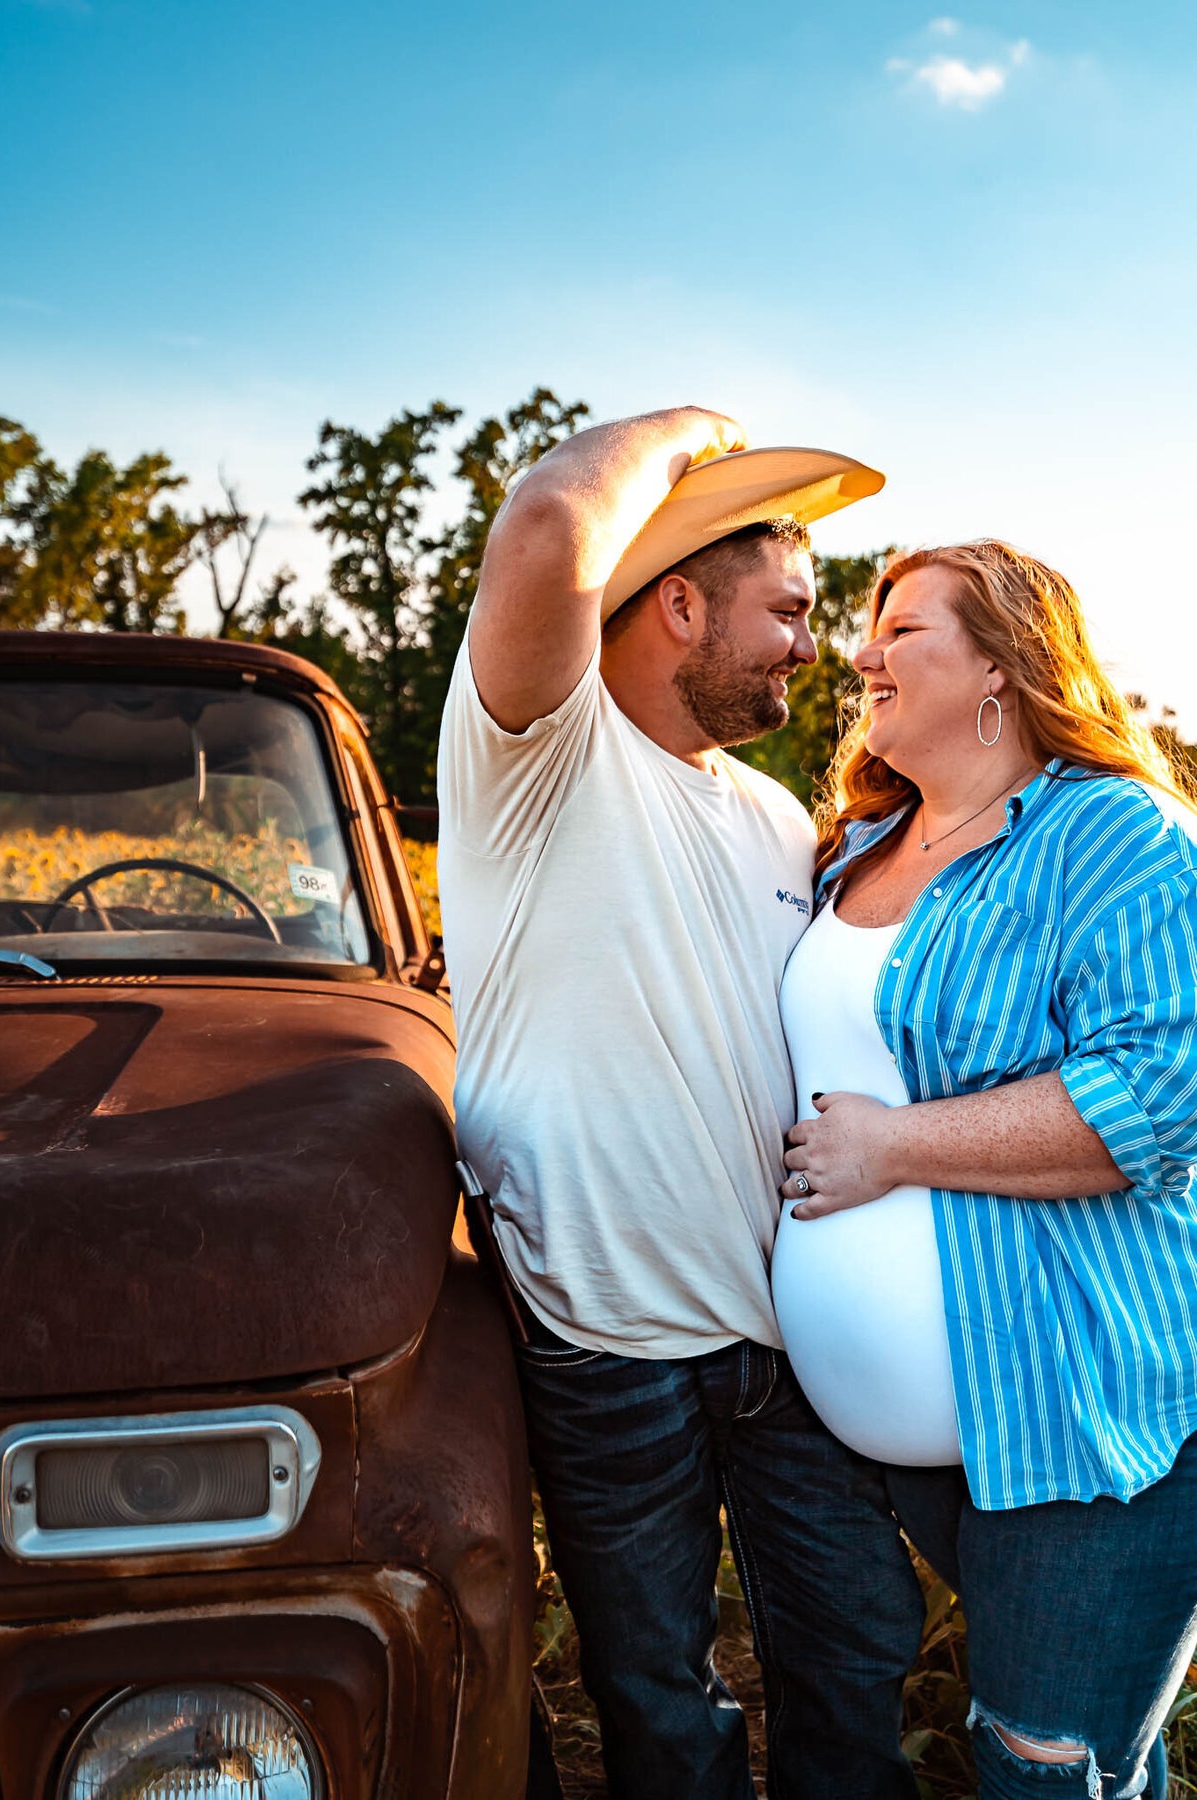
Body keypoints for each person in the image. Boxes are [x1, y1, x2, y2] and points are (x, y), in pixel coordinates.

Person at [436, 405, 935, 1800]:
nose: (813, 643)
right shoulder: (539, 759)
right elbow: (546, 527)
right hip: (607, 1348)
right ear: (675, 606)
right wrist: (691, 430)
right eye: (784, 609)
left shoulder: (775, 820)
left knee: (854, 1649)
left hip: (787, 1337)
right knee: (662, 1692)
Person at [775, 539, 1197, 1800]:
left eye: (901, 628)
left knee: (1043, 1773)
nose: (862, 654)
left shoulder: (1114, 836)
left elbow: (1165, 1098)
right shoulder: (858, 845)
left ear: (1004, 665)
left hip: (1079, 1424)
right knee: (1091, 1753)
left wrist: (893, 1146)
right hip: (904, 1451)